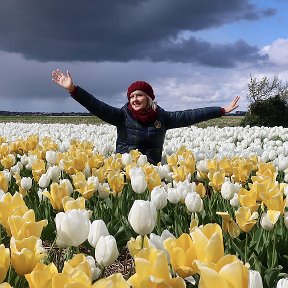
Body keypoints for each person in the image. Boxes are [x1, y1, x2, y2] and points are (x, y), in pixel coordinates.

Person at [51, 69, 240, 165]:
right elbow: (96, 105)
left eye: (139, 95)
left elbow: (190, 116)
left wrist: (221, 110)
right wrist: (73, 89)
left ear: (149, 98)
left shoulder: (162, 118)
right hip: (125, 173)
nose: (134, 99)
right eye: (131, 96)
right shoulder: (121, 116)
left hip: (151, 174)